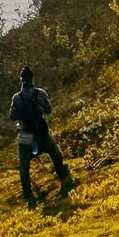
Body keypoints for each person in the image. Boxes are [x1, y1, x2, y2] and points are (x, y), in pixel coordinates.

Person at [10, 66, 72, 204]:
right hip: (32, 133)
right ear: (28, 79)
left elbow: (12, 116)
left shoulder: (25, 96)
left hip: (34, 133)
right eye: (26, 79)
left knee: (30, 165)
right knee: (29, 166)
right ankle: (30, 195)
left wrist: (36, 109)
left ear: (25, 79)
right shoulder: (32, 95)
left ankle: (61, 184)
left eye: (26, 79)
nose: (26, 82)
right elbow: (48, 110)